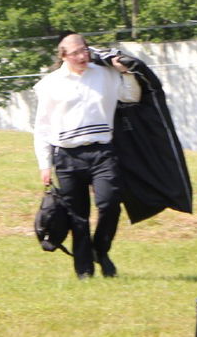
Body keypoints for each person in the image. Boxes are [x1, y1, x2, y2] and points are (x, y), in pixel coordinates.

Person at [33, 32, 141, 279]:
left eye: (85, 50)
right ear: (63, 56)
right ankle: (84, 270)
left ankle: (100, 250)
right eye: (76, 53)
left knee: (110, 203)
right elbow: (42, 127)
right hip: (67, 156)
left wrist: (126, 73)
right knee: (77, 216)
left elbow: (132, 96)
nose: (83, 56)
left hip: (102, 150)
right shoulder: (49, 85)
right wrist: (44, 164)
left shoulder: (105, 74)